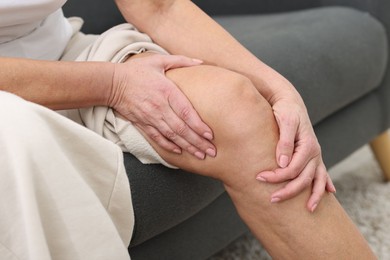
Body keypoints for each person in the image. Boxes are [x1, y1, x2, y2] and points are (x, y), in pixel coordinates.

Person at [0, 0, 376, 259]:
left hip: (62, 53)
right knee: (22, 137)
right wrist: (113, 84)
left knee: (237, 109)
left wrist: (278, 91)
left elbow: (160, 7)